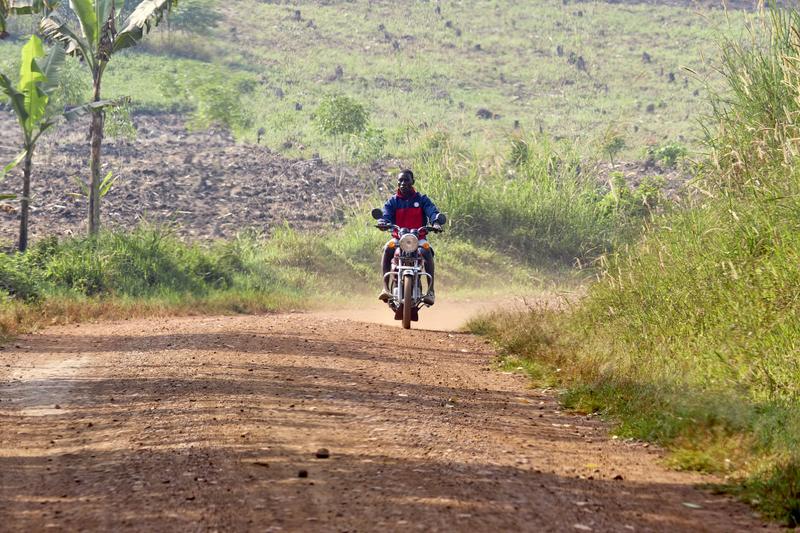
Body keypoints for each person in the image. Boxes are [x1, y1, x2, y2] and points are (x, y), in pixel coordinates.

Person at [376, 169, 443, 305]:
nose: (403, 183)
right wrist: (382, 222)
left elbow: (432, 211)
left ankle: (430, 291)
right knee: (387, 249)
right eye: (400, 180)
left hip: (418, 239)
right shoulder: (393, 201)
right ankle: (385, 288)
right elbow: (385, 215)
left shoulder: (422, 199)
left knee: (426, 250)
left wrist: (435, 222)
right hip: (398, 239)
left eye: (406, 180)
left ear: (413, 181)